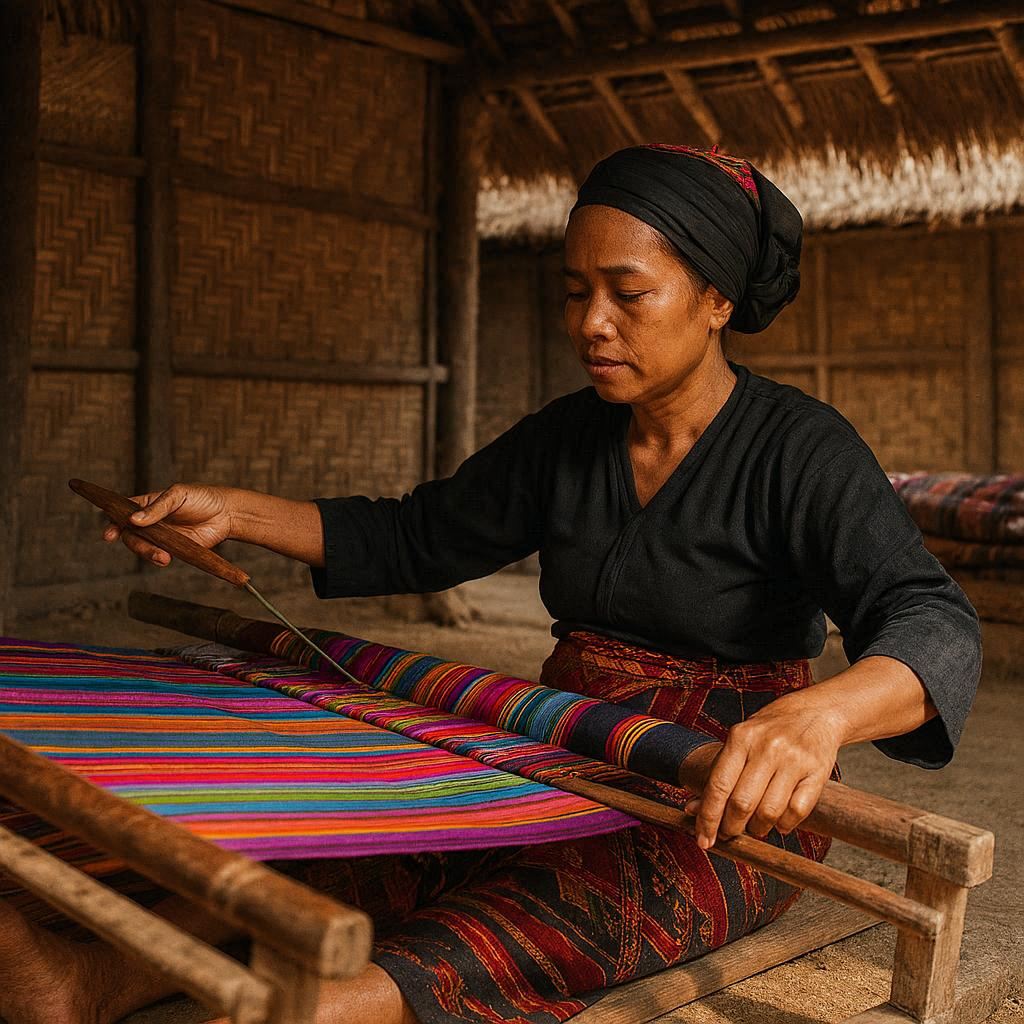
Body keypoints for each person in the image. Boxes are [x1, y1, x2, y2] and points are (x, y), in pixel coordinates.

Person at [0, 144, 980, 1024]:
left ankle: (317, 1008)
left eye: (626, 293)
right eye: (572, 291)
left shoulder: (799, 451)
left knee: (567, 899)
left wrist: (817, 718)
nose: (589, 323)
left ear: (716, 297)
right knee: (376, 837)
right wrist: (229, 511)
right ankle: (93, 979)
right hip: (550, 730)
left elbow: (928, 617)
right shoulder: (567, 437)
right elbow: (416, 537)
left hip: (717, 786)